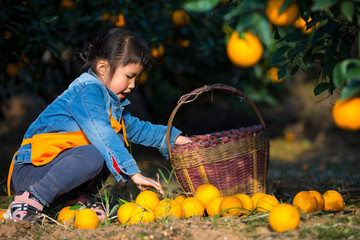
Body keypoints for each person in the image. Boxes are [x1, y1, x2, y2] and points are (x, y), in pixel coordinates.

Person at [5, 28, 191, 222]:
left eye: (136, 78)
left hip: (54, 172)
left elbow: (139, 129)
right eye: (129, 76)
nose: (133, 85)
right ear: (103, 68)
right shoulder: (87, 93)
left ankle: (77, 198)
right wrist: (134, 173)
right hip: (33, 171)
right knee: (101, 148)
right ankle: (28, 201)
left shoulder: (110, 104)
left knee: (117, 138)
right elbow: (102, 133)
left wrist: (175, 138)